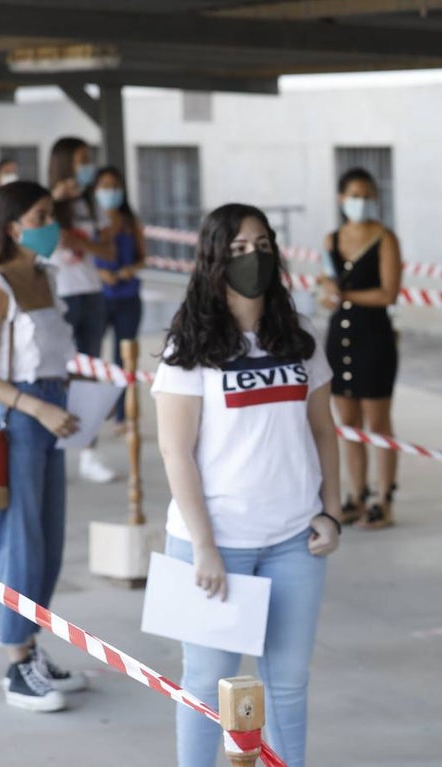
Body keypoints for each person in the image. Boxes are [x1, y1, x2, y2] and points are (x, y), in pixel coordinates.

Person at [152, 203, 341, 767]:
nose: (251, 257)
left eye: (260, 244)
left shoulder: (300, 337)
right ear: (213, 259)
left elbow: (324, 431)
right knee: (207, 683)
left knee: (286, 684)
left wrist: (331, 512)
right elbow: (174, 450)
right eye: (236, 249)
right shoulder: (188, 346)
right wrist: (205, 546)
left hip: (293, 541)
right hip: (212, 546)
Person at [0, 181, 86, 712]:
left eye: (51, 214)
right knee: (20, 541)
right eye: (40, 215)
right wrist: (38, 409)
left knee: (50, 540)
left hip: (51, 416)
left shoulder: (46, 278)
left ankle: (32, 645)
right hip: (18, 420)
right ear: (13, 226)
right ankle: (16, 660)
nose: (50, 224)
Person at [318, 167, 402, 529]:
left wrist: (345, 294)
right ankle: (356, 495)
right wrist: (327, 294)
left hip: (374, 336)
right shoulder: (331, 240)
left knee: (378, 421)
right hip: (340, 335)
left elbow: (388, 293)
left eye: (367, 195)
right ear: (340, 198)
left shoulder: (385, 238)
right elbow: (325, 286)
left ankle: (383, 498)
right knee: (347, 421)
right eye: (354, 195)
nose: (361, 202)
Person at [47, 136, 117, 483]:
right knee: (55, 372)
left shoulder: (91, 205)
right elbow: (33, 248)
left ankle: (89, 451)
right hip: (59, 297)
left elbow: (108, 251)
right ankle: (50, 444)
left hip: (92, 294)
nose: (88, 166)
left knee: (88, 373)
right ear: (64, 164)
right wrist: (51, 205)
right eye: (82, 160)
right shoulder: (44, 203)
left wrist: (81, 242)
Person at [91, 166, 146, 432]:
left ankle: (123, 414)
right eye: (104, 185)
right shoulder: (90, 221)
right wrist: (100, 273)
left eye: (114, 185)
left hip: (128, 297)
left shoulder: (130, 220)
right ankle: (97, 407)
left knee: (123, 358)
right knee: (90, 356)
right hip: (99, 297)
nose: (110, 191)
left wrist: (128, 270)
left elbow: (142, 258)